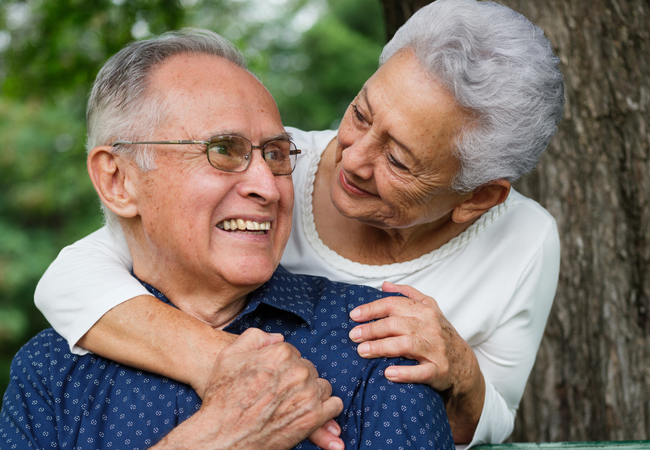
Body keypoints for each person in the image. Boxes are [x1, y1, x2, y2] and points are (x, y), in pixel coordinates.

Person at [34, 0, 565, 446]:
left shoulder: (524, 240)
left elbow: (493, 414)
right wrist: (232, 366)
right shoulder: (271, 162)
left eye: (399, 161)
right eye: (360, 113)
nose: (351, 158)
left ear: (477, 198)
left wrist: (462, 371)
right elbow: (71, 278)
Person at [0, 29, 455, 450]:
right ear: (118, 180)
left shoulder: (378, 344)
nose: (268, 185)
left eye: (275, 154)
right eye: (223, 150)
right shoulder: (47, 374)